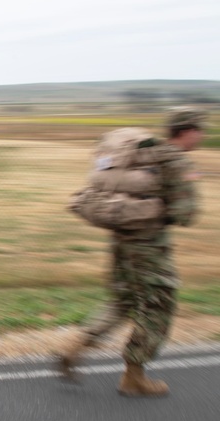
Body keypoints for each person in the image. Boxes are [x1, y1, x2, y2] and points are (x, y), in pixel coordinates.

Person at [58, 106, 206, 395]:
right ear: (189, 131)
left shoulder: (147, 155)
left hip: (121, 241)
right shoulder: (176, 161)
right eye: (200, 130)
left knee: (123, 300)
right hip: (150, 248)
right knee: (158, 308)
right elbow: (186, 215)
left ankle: (75, 346)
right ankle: (134, 376)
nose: (202, 135)